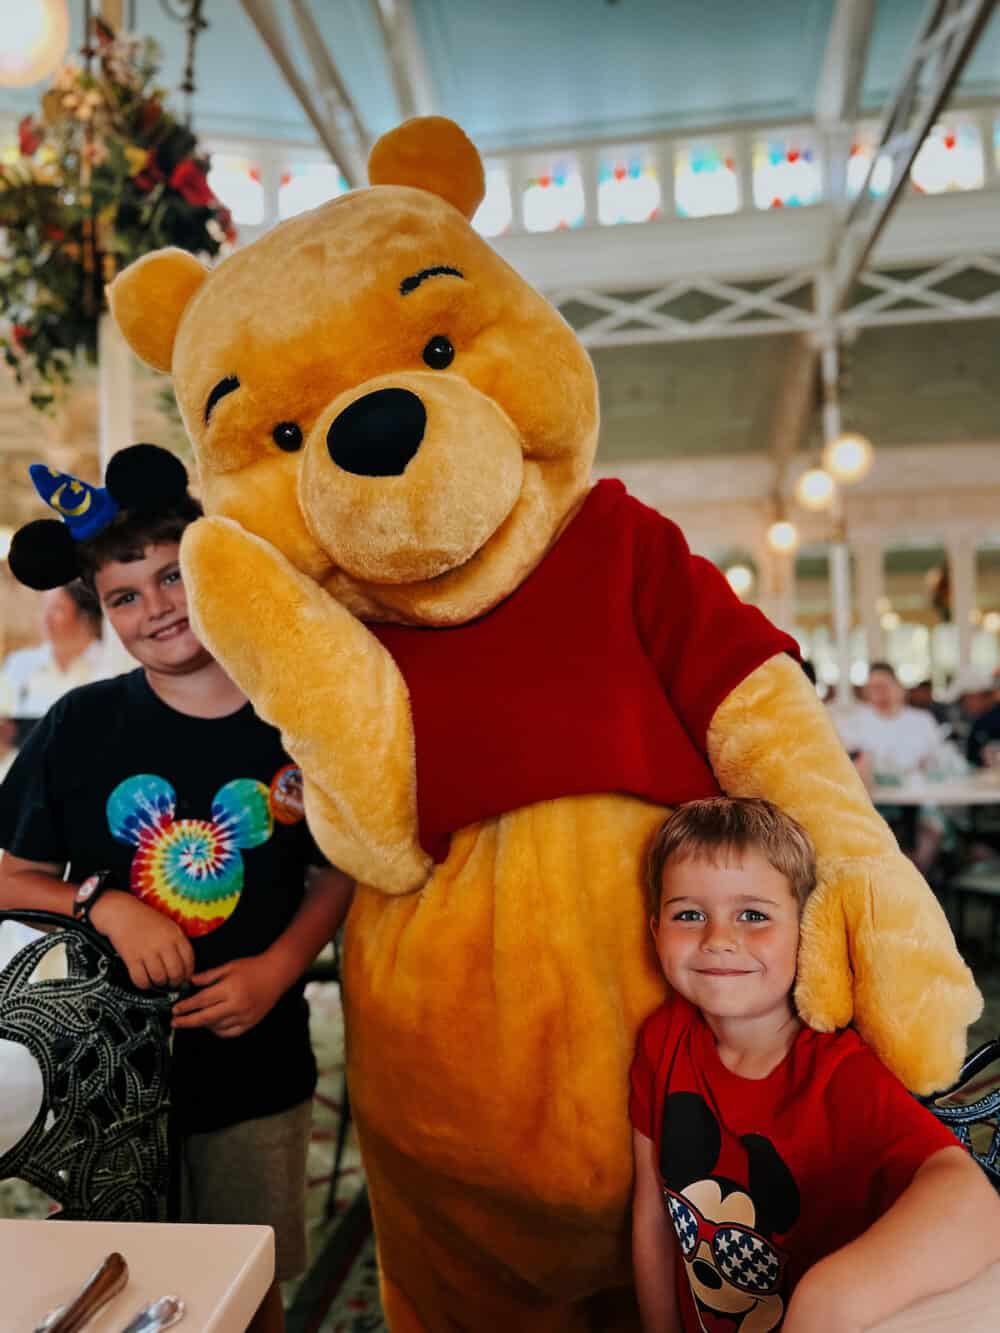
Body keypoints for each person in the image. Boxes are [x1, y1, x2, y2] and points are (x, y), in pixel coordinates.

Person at [0, 447, 353, 1333]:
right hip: (105, 1081)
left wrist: (279, 965)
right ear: (102, 611)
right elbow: (5, 869)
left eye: (171, 577)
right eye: (124, 595)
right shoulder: (81, 726)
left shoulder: (292, 715)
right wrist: (101, 903)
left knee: (249, 1285)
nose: (155, 607)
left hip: (256, 1068)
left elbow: (337, 865)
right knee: (122, 1289)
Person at [630, 796, 1000, 1333]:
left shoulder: (838, 1070)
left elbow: (976, 1207)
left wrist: (830, 1297)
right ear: (655, 929)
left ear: (806, 930)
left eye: (753, 915)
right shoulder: (663, 1038)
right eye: (689, 914)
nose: (719, 939)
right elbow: (652, 1217)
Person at [834, 661, 961, 873]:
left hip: (920, 800)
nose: (880, 693)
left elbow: (941, 761)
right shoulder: (856, 722)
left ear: (899, 688)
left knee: (931, 830)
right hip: (875, 804)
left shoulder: (921, 720)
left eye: (885, 686)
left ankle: (917, 883)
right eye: (873, 688)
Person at [0, 581, 105, 750]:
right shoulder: (20, 663)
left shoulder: (108, 664)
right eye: (43, 608)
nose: (46, 618)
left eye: (57, 610)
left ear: (84, 617)